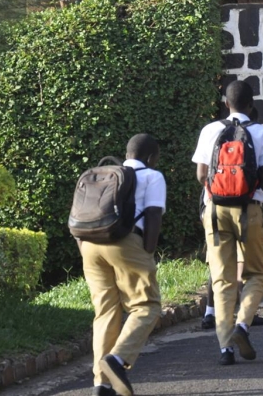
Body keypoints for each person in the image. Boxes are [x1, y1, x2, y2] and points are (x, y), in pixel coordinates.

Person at [193, 80, 263, 365]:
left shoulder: (209, 131)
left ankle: (225, 348)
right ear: (251, 105)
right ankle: (243, 325)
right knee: (255, 273)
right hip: (250, 210)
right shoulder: (261, 132)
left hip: (215, 212)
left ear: (225, 103)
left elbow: (201, 174)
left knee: (222, 278)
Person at [80, 134, 165, 396]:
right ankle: (117, 359)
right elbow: (153, 215)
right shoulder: (153, 176)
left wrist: (85, 250)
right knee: (146, 306)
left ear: (127, 154)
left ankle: (100, 386)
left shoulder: (103, 175)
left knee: (105, 312)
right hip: (126, 242)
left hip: (90, 244)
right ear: (151, 158)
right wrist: (147, 252)